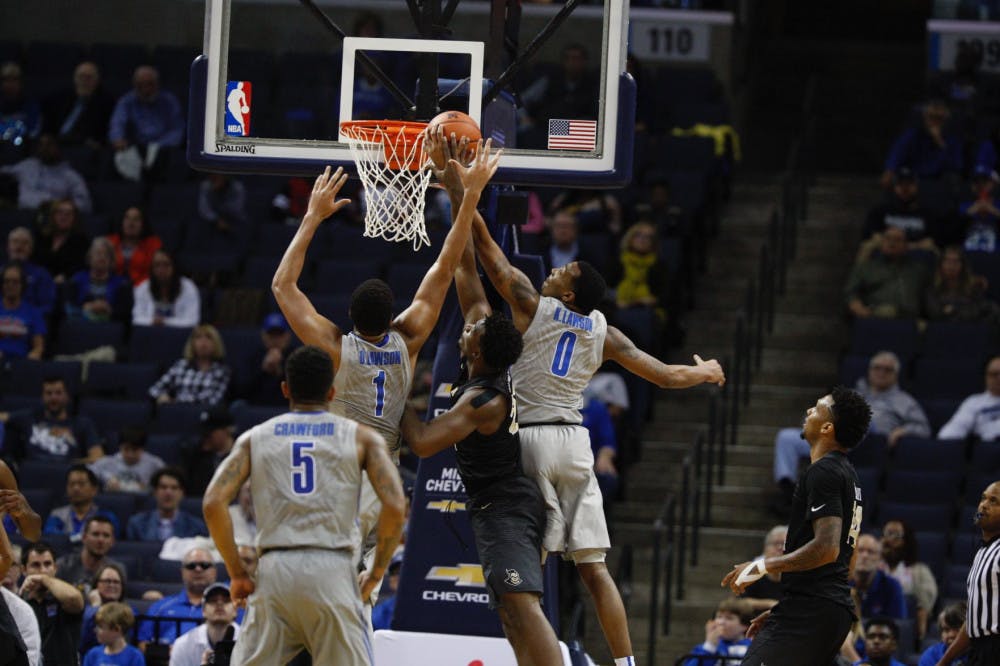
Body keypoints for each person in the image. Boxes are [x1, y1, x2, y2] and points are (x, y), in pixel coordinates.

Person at [449, 148, 723, 664]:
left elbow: (487, 253)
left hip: (526, 442)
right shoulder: (606, 331)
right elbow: (664, 376)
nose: (555, 271)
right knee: (595, 569)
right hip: (575, 443)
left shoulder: (536, 305)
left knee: (527, 570)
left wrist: (467, 192)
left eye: (564, 272)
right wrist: (706, 372)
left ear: (569, 296)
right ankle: (625, 664)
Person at [270, 141, 496, 562]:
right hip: (385, 474)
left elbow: (283, 287)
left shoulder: (336, 346)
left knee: (332, 575)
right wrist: (467, 197)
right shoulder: (409, 338)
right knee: (364, 588)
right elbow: (447, 265)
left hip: (342, 472)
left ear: (348, 316)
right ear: (394, 314)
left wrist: (311, 218)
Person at [398, 160, 562, 663]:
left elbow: (423, 443)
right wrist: (456, 192)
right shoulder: (485, 345)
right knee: (511, 611)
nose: (467, 325)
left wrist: (393, 383)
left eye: (471, 332)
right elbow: (464, 269)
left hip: (509, 507)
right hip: (503, 503)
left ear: (478, 353)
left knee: (522, 604)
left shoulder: (482, 400)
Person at [202, 345, 406, 664]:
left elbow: (213, 502)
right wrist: (377, 570)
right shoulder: (362, 438)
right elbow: (395, 504)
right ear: (332, 391)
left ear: (285, 389)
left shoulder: (255, 437)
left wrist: (237, 572)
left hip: (275, 569)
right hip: (334, 569)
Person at [722, 387, 873, 666]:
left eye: (816, 408)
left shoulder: (824, 471)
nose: (808, 412)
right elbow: (845, 563)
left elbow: (827, 549)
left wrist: (763, 566)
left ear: (827, 427)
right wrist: (788, 608)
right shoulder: (849, 475)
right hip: (823, 608)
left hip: (813, 611)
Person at [769, 351, 929, 515]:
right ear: (869, 370)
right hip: (831, 438)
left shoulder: (904, 401)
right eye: (877, 368)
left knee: (863, 416)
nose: (881, 372)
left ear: (896, 375)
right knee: (787, 437)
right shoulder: (850, 394)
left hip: (868, 445)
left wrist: (902, 431)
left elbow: (923, 428)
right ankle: (788, 491)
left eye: (887, 370)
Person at [936, 481, 1000, 665]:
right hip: (980, 650)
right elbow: (975, 620)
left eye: (994, 501)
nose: (984, 505)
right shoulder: (982, 552)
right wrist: (944, 661)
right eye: (983, 498)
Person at [6, 377, 104, 463]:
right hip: (32, 474)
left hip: (65, 475)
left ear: (67, 396)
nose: (53, 397)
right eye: (49, 393)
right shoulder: (29, 418)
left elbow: (97, 457)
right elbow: (3, 417)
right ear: (42, 396)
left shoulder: (82, 424)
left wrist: (72, 465)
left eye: (58, 393)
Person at [137, 546, 219, 648]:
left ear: (215, 571)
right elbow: (143, 643)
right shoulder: (160, 607)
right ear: (182, 572)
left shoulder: (229, 608)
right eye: (191, 566)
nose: (198, 569)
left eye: (204, 565)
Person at [19, 541, 86, 666]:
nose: (43, 570)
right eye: (35, 565)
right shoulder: (19, 605)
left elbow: (74, 599)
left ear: (55, 568)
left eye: (47, 564)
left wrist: (44, 579)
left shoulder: (63, 599)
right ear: (23, 570)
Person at [108, 66, 184, 174]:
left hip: (163, 150)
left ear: (157, 84)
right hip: (135, 148)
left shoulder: (169, 101)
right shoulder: (126, 101)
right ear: (134, 85)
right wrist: (118, 138)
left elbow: (177, 130)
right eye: (140, 85)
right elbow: (117, 124)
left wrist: (159, 146)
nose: (145, 89)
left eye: (149, 84)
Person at [845, 226, 931, 319]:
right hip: (876, 318)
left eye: (897, 240)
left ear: (906, 245)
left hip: (911, 322)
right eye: (888, 239)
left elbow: (929, 298)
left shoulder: (918, 270)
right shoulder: (866, 268)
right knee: (888, 311)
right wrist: (857, 307)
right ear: (882, 242)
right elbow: (851, 293)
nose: (892, 243)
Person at [0, 133, 92, 213]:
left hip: (51, 219)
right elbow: (4, 171)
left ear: (58, 147)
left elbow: (85, 205)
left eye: (49, 144)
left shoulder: (70, 176)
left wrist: (61, 205)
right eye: (41, 144)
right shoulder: (28, 165)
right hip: (22, 215)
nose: (44, 149)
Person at [880, 100, 963, 187]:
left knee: (952, 179)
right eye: (931, 117)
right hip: (914, 176)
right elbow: (898, 152)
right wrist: (890, 170)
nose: (935, 122)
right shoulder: (914, 134)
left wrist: (940, 143)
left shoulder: (952, 138)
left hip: (938, 180)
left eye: (939, 118)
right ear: (925, 118)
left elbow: (955, 165)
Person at [860, 168, 938, 260]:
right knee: (867, 247)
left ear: (916, 187)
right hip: (885, 254)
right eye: (901, 184)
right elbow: (870, 234)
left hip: (916, 256)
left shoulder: (927, 213)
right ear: (894, 187)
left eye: (909, 184)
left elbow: (932, 241)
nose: (905, 188)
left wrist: (907, 247)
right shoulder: (881, 210)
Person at [881, 519, 938, 640]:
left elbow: (924, 607)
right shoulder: (874, 569)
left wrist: (919, 636)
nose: (888, 540)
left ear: (906, 541)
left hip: (903, 629)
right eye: (886, 534)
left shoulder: (920, 571)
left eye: (896, 535)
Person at [148, 324, 231, 406]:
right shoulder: (181, 366)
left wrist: (177, 402)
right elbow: (155, 389)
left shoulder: (222, 371)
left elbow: (213, 401)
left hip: (202, 414)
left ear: (216, 344)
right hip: (177, 413)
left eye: (208, 337)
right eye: (198, 337)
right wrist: (162, 397)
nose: (203, 342)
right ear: (192, 343)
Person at [41, 61, 115, 148]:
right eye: (81, 77)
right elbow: (48, 124)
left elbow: (103, 133)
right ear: (74, 78)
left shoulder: (106, 103)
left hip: (82, 147)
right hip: (55, 145)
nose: (84, 81)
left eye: (88, 77)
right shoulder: (59, 98)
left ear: (97, 80)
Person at [63, 237, 132, 324]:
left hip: (110, 329)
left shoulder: (122, 285)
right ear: (89, 257)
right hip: (81, 327)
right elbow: (69, 308)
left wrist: (109, 309)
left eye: (106, 254)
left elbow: (125, 313)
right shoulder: (76, 281)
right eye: (98, 253)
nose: (102, 257)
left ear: (111, 261)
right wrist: (86, 308)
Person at [168, 582, 239, 666]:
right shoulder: (183, 645)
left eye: (226, 600)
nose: (219, 604)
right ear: (203, 611)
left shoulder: (251, 643)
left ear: (235, 610)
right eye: (213, 600)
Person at [127, 467, 207, 541]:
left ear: (182, 493)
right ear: (155, 492)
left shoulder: (196, 527)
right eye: (163, 487)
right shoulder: (137, 524)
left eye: (174, 488)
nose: (168, 493)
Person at [924, 246, 1000, 323]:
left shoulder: (973, 287)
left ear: (963, 266)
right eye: (947, 261)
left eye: (956, 261)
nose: (951, 266)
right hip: (942, 331)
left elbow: (985, 309)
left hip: (970, 330)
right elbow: (934, 313)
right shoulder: (932, 287)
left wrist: (953, 310)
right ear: (940, 264)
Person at [43, 465, 119, 540]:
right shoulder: (57, 515)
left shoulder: (106, 516)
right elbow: (51, 536)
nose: (76, 488)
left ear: (94, 489)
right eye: (72, 484)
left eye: (81, 484)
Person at [132, 250, 200, 328]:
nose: (161, 269)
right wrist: (152, 321)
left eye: (166, 265)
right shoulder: (143, 287)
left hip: (179, 334)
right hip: (150, 334)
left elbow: (192, 321)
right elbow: (136, 318)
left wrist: (165, 322)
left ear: (174, 267)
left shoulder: (188, 287)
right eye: (157, 265)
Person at [938, 355, 1000, 441]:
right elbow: (950, 433)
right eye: (994, 374)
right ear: (986, 377)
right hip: (988, 448)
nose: (999, 378)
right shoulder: (974, 402)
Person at [55, 516, 122, 595]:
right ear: (84, 537)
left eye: (106, 535)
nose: (101, 540)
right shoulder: (63, 566)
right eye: (95, 534)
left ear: (112, 541)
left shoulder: (117, 571)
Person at [238, 312, 293, 406]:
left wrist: (280, 372)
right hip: (257, 406)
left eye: (279, 334)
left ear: (287, 336)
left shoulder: (296, 357)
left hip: (287, 407)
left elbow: (301, 391)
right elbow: (241, 391)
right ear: (263, 336)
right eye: (271, 335)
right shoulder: (254, 357)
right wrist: (264, 371)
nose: (275, 339)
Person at [89, 426, 165, 494]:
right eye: (126, 449)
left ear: (143, 448)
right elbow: (85, 476)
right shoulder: (106, 463)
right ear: (120, 447)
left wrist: (149, 488)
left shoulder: (155, 464)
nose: (130, 454)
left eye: (135, 450)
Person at [178, 406, 234, 497]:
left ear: (227, 430)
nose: (204, 438)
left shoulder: (243, 454)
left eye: (209, 434)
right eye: (203, 434)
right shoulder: (194, 456)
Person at [33, 198, 91, 284]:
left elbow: (80, 266)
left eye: (68, 214)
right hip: (40, 281)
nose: (64, 216)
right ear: (53, 216)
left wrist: (65, 276)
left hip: (66, 284)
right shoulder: (41, 237)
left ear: (74, 218)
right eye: (60, 212)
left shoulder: (81, 240)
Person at [682, 597, 754, 666]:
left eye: (729, 618)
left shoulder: (752, 648)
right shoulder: (703, 648)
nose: (721, 622)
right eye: (719, 617)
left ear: (744, 626)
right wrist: (709, 647)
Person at [851, 534, 907, 620]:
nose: (865, 556)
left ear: (880, 558)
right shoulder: (840, 584)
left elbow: (898, 625)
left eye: (871, 552)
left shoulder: (892, 587)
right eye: (860, 550)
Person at [79, 563, 130, 658]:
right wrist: (95, 607)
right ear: (96, 585)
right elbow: (83, 641)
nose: (111, 585)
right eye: (107, 581)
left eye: (116, 582)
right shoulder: (86, 611)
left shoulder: (128, 612)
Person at [105, 206, 162, 286]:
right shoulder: (109, 242)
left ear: (143, 224)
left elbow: (155, 272)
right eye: (127, 218)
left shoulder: (153, 244)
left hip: (142, 288)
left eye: (136, 219)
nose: (131, 223)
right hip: (112, 288)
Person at [0, 262, 46, 361]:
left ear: (22, 285)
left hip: (21, 364)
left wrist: (32, 357)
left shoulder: (34, 312)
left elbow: (38, 347)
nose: (10, 285)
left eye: (15, 282)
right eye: (6, 281)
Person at [6, 227, 56, 316]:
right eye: (15, 242)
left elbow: (47, 306)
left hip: (29, 322)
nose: (19, 247)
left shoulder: (42, 275)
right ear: (8, 247)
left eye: (25, 243)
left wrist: (28, 315)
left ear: (31, 249)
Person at [81, 602, 144, 666]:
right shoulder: (93, 654)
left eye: (101, 627)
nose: (96, 630)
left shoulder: (134, 656)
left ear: (117, 629)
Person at [741, 525, 787, 611]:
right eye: (776, 543)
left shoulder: (797, 575)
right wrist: (769, 603)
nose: (780, 548)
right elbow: (740, 601)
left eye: (784, 544)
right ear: (765, 549)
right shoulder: (753, 572)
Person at [0, 62, 41, 145]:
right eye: (6, 80)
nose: (10, 84)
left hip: (25, 147)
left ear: (21, 82)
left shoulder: (30, 104)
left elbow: (33, 131)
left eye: (14, 79)